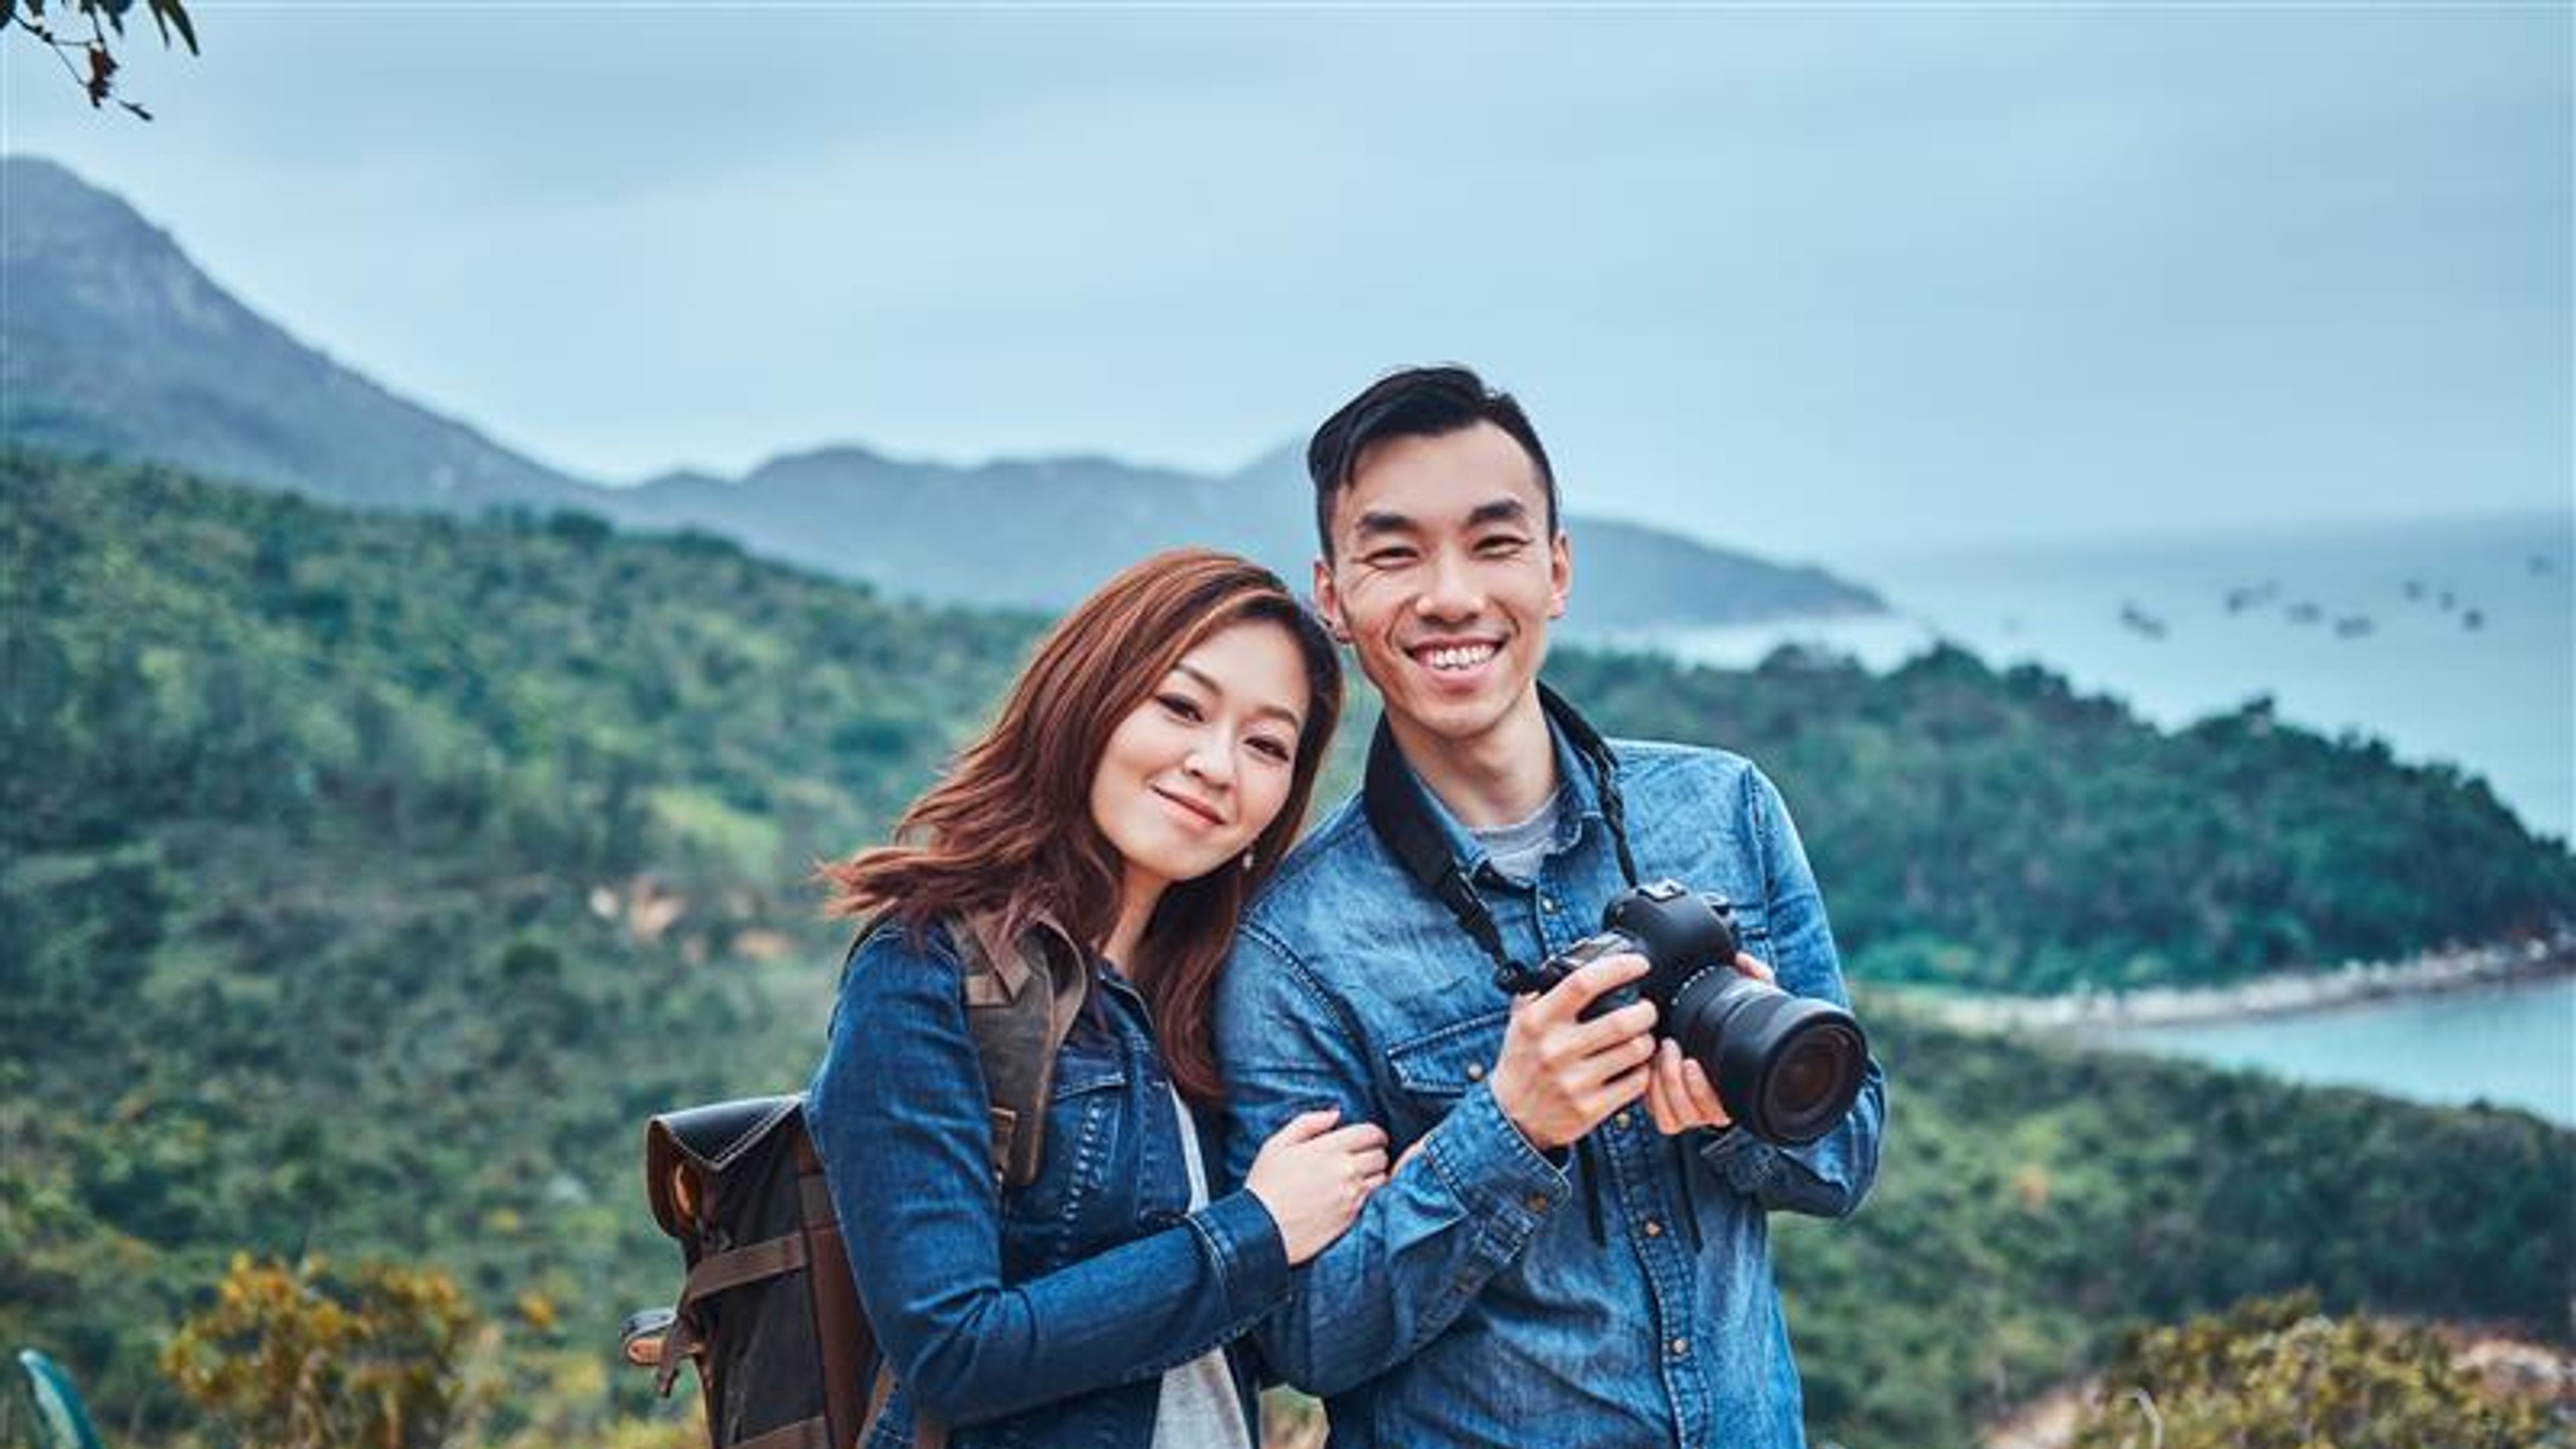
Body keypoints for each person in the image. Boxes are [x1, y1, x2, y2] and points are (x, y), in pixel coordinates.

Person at [1215, 367, 1886, 1448]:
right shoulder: (1295, 946)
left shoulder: (1724, 811)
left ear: (1557, 568)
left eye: (1495, 542)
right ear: (1334, 599)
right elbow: (1301, 1335)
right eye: (1395, 553)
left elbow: (1850, 1150)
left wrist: (1738, 1118)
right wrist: (1509, 1127)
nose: (1450, 596)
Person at [809, 548, 1387, 1449]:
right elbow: (953, 1352)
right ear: (1089, 698)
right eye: (1182, 708)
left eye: (1267, 745)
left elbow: (1228, 1338)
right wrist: (1259, 1230)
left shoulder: (1208, 1005)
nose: (1216, 764)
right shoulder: (925, 972)